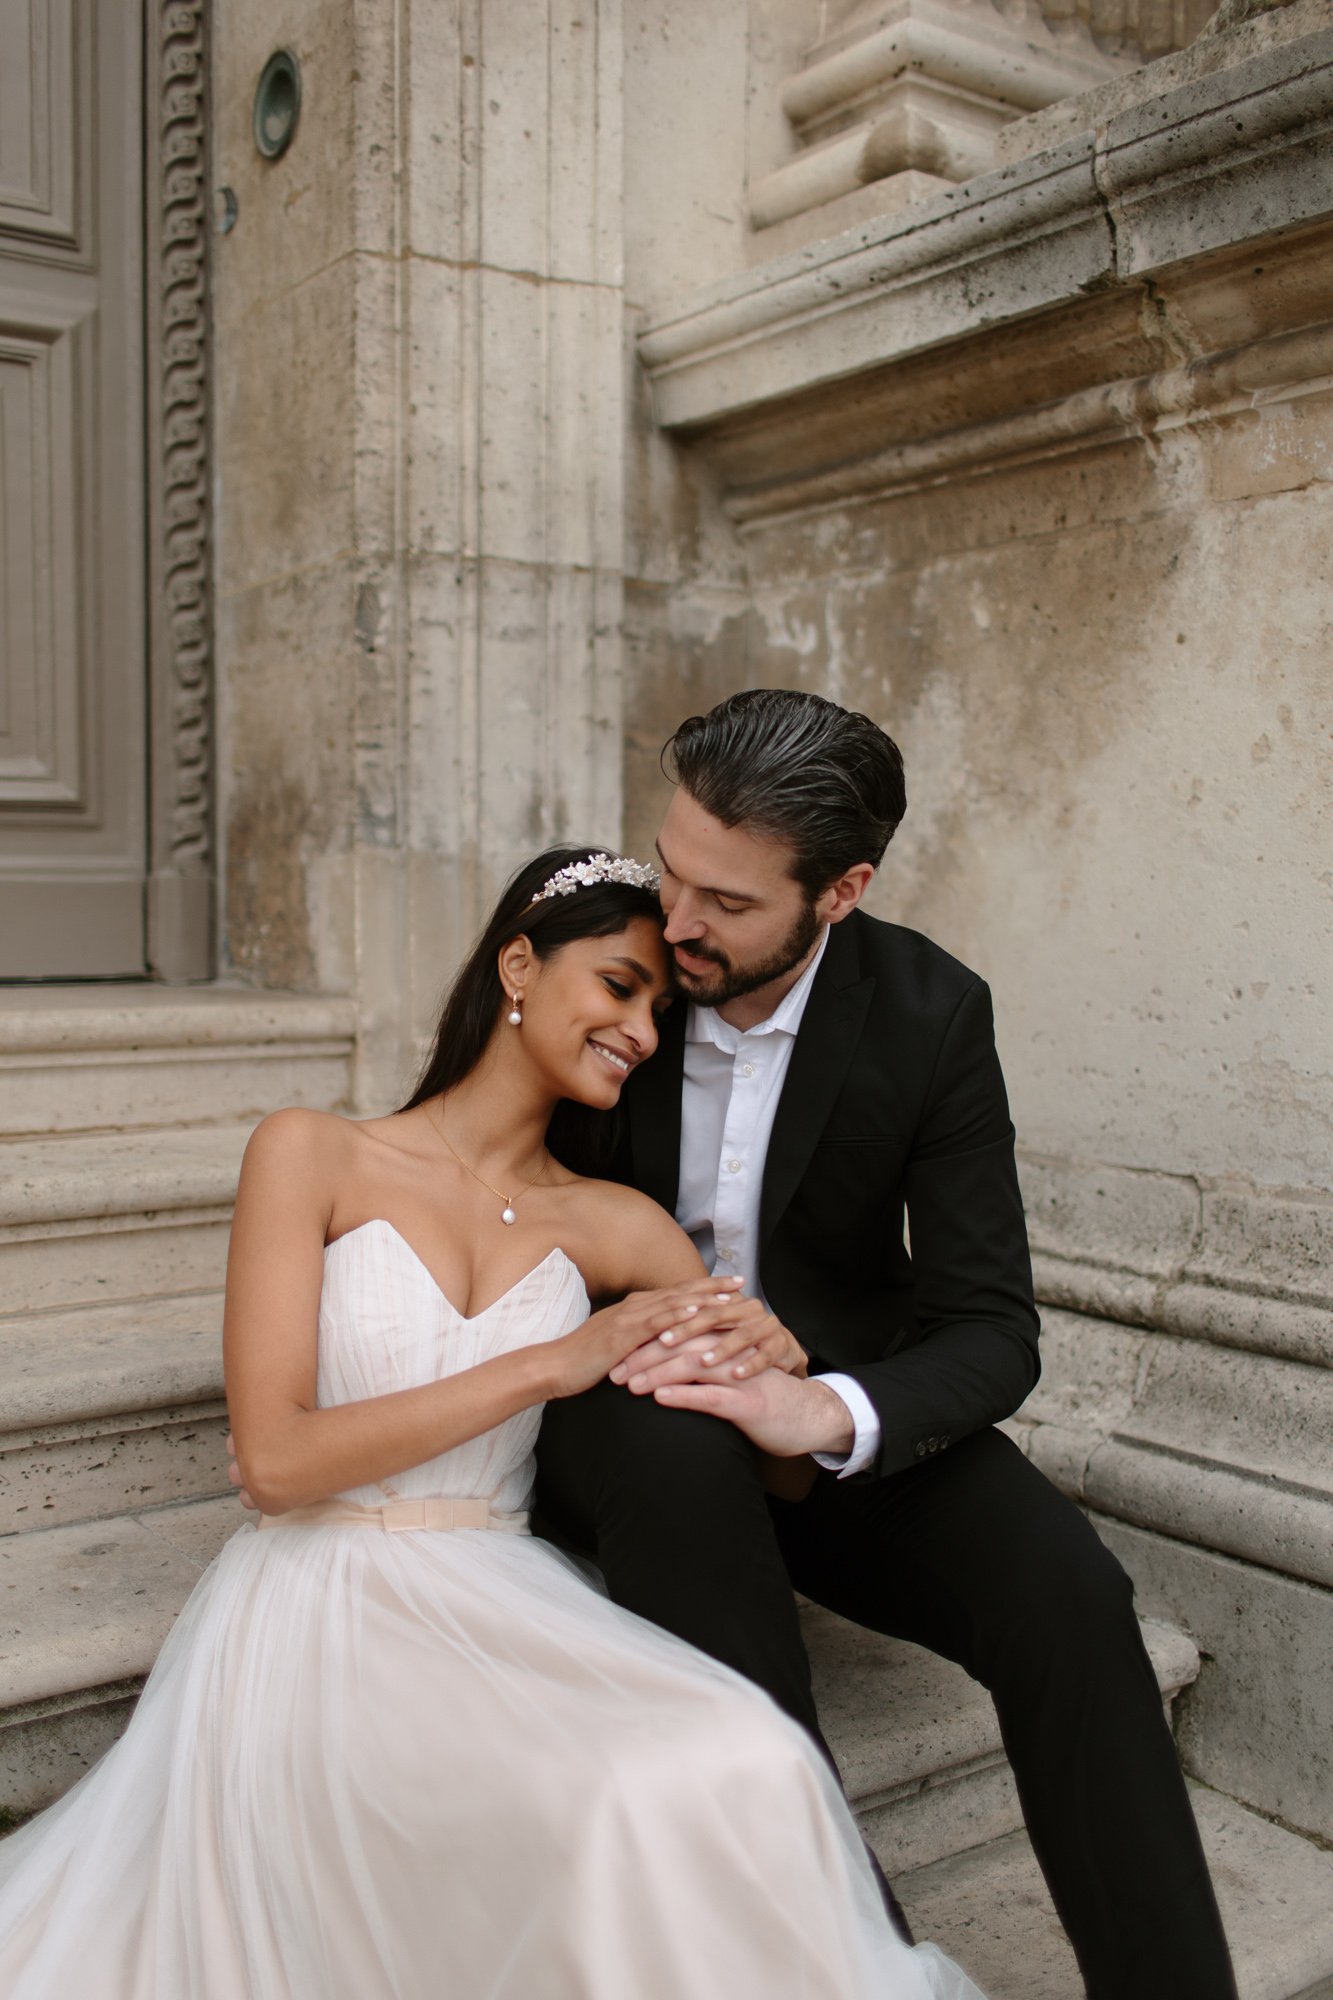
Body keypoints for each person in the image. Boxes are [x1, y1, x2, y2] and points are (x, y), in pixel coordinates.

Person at [0, 846, 984, 2000]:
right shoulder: (311, 1151)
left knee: (751, 1754)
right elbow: (274, 1462)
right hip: (325, 1601)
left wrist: (785, 1371)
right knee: (608, 1802)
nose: (643, 1031)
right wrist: (554, 1361)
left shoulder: (621, 1226)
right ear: (519, 964)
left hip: (505, 1590)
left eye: (661, 1010)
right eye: (619, 986)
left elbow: (778, 1480)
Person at [534, 690, 1239, 2000]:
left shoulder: (930, 1012)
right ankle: (856, 1966)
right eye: (672, 869)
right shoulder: (611, 958)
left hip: (823, 1414)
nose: (675, 922)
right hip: (627, 1411)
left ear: (841, 892)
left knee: (1072, 1599)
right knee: (686, 1482)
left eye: (725, 902)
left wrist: (824, 1411)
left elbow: (992, 1326)